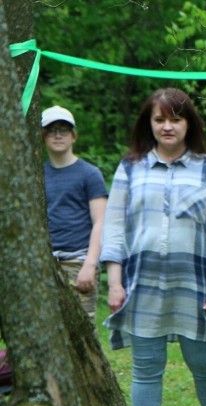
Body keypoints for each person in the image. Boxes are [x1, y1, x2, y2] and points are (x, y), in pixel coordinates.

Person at [100, 88, 206, 406]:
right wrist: (114, 282)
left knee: (204, 362)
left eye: (176, 119)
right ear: (149, 123)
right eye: (160, 119)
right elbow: (114, 228)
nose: (168, 126)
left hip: (197, 282)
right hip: (142, 283)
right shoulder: (130, 167)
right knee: (146, 367)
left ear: (188, 124)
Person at [41, 105, 108, 322]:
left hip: (78, 261)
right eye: (52, 130)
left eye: (64, 129)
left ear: (73, 136)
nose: (58, 135)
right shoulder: (35, 173)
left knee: (82, 327)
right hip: (44, 262)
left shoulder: (89, 174)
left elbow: (100, 222)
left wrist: (90, 265)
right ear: (43, 136)